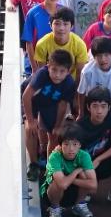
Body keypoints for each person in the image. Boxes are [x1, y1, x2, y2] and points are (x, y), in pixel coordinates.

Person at [23, 49, 76, 182]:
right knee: (30, 129)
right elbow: (26, 96)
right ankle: (34, 164)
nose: (57, 75)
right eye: (54, 70)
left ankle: (49, 166)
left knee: (54, 134)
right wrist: (31, 120)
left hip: (51, 103)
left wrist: (58, 125)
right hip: (33, 101)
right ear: (48, 66)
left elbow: (62, 105)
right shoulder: (42, 74)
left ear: (68, 71)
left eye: (62, 71)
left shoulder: (69, 83)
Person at [76, 86, 111, 208]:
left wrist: (99, 159)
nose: (99, 111)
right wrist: (87, 166)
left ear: (109, 107)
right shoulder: (80, 126)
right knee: (90, 190)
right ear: (88, 107)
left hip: (102, 161)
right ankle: (81, 194)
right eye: (95, 106)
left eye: (103, 106)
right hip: (84, 165)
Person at [41, 122, 97, 217]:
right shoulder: (55, 156)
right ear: (60, 145)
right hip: (51, 194)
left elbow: (93, 185)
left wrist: (69, 180)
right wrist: (76, 171)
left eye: (75, 144)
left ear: (80, 145)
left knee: (84, 176)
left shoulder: (84, 156)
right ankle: (55, 208)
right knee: (57, 182)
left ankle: (79, 204)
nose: (71, 149)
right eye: (66, 144)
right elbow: (62, 184)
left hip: (72, 190)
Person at [77, 36, 111, 117]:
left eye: (106, 55)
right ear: (94, 56)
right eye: (99, 55)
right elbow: (81, 92)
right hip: (93, 99)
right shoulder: (87, 71)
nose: (103, 59)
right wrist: (81, 113)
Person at [8, 0, 44, 74]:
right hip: (28, 38)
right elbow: (11, 0)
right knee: (30, 68)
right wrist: (11, 5)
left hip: (42, 37)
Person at [34, 7, 89, 82]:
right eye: (57, 24)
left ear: (72, 26)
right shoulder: (42, 44)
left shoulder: (80, 45)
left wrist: (75, 89)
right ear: (50, 25)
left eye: (65, 24)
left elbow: (80, 74)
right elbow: (42, 73)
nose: (61, 28)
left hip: (71, 83)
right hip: (49, 82)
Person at [22, 0, 60, 76]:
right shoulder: (33, 13)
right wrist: (34, 68)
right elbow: (29, 42)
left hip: (58, 64)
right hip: (37, 62)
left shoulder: (63, 12)